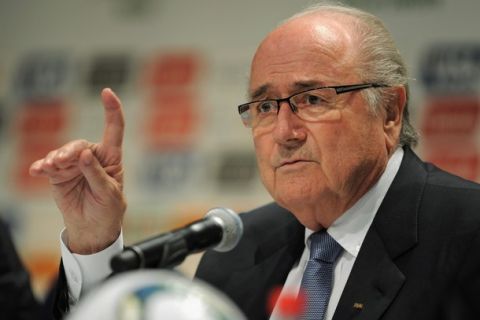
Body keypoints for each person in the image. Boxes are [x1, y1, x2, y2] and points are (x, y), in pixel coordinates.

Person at [29, 2, 480, 320]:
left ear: (390, 112)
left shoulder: (467, 235)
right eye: (265, 107)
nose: (285, 132)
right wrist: (95, 244)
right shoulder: (236, 254)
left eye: (312, 99)